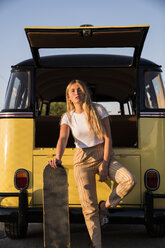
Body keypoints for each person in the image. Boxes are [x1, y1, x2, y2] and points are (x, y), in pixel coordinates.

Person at [48, 79, 136, 248]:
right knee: (88, 208)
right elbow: (63, 138)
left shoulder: (98, 109)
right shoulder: (67, 117)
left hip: (103, 153)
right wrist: (57, 158)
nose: (76, 93)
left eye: (79, 89)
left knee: (129, 180)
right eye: (72, 91)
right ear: (69, 96)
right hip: (82, 159)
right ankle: (97, 245)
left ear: (85, 92)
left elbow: (108, 137)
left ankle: (105, 205)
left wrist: (105, 162)